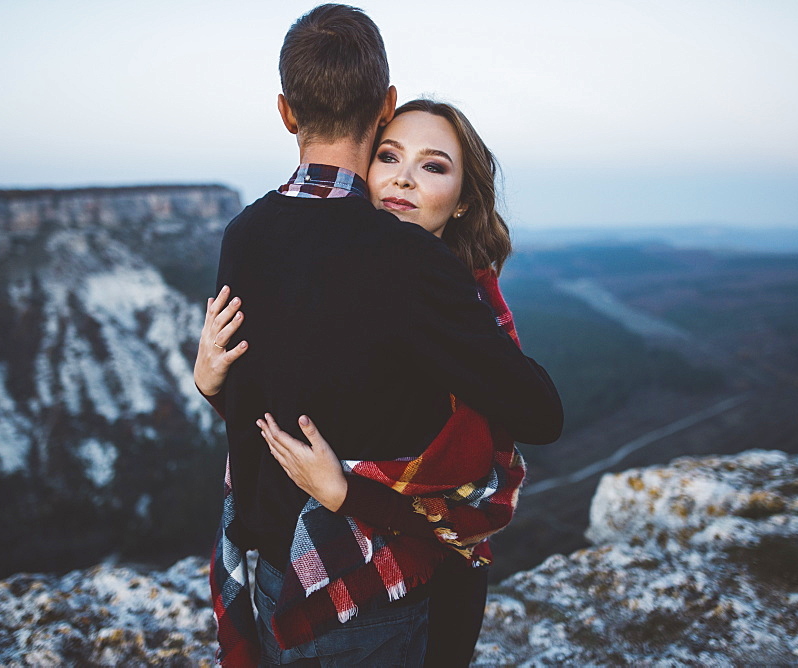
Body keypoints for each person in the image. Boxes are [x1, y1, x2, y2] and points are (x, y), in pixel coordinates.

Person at [194, 5, 562, 666]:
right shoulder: (410, 261)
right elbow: (538, 413)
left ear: (285, 111)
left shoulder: (243, 235)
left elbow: (275, 396)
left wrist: (210, 384)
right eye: (392, 153)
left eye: (432, 166)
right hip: (362, 593)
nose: (403, 177)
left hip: (273, 577)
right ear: (385, 104)